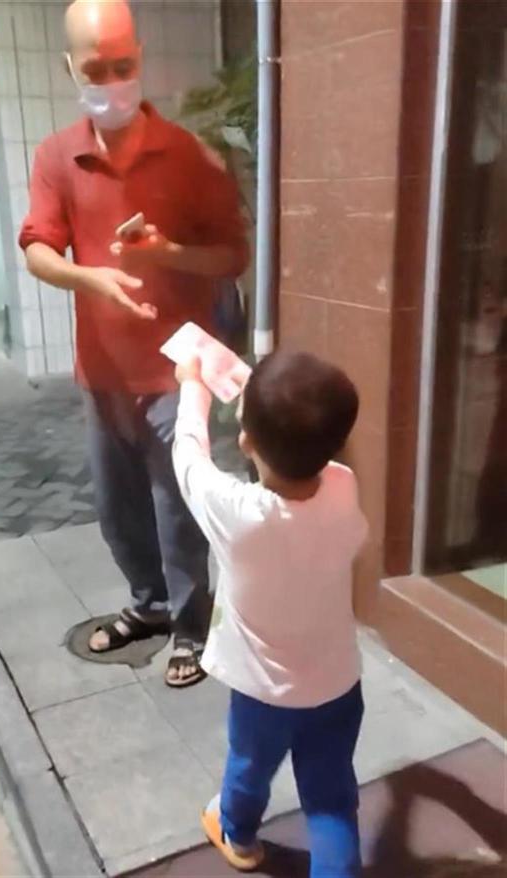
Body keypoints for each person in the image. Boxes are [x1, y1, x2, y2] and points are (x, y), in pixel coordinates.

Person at [19, 0, 248, 688]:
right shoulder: (58, 155)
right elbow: (37, 247)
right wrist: (91, 277)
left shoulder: (189, 156)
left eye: (123, 66)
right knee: (118, 511)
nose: (112, 81)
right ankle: (149, 607)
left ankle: (189, 623)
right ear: (70, 68)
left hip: (179, 376)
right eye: (96, 69)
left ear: (140, 60)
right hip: (101, 375)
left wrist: (168, 251)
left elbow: (232, 256)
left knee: (176, 510)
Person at [172, 351, 368, 876]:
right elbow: (311, 452)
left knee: (249, 769)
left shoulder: (238, 514)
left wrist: (193, 386)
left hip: (264, 696)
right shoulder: (344, 486)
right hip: (337, 687)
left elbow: (187, 458)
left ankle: (237, 835)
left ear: (246, 443)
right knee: (330, 799)